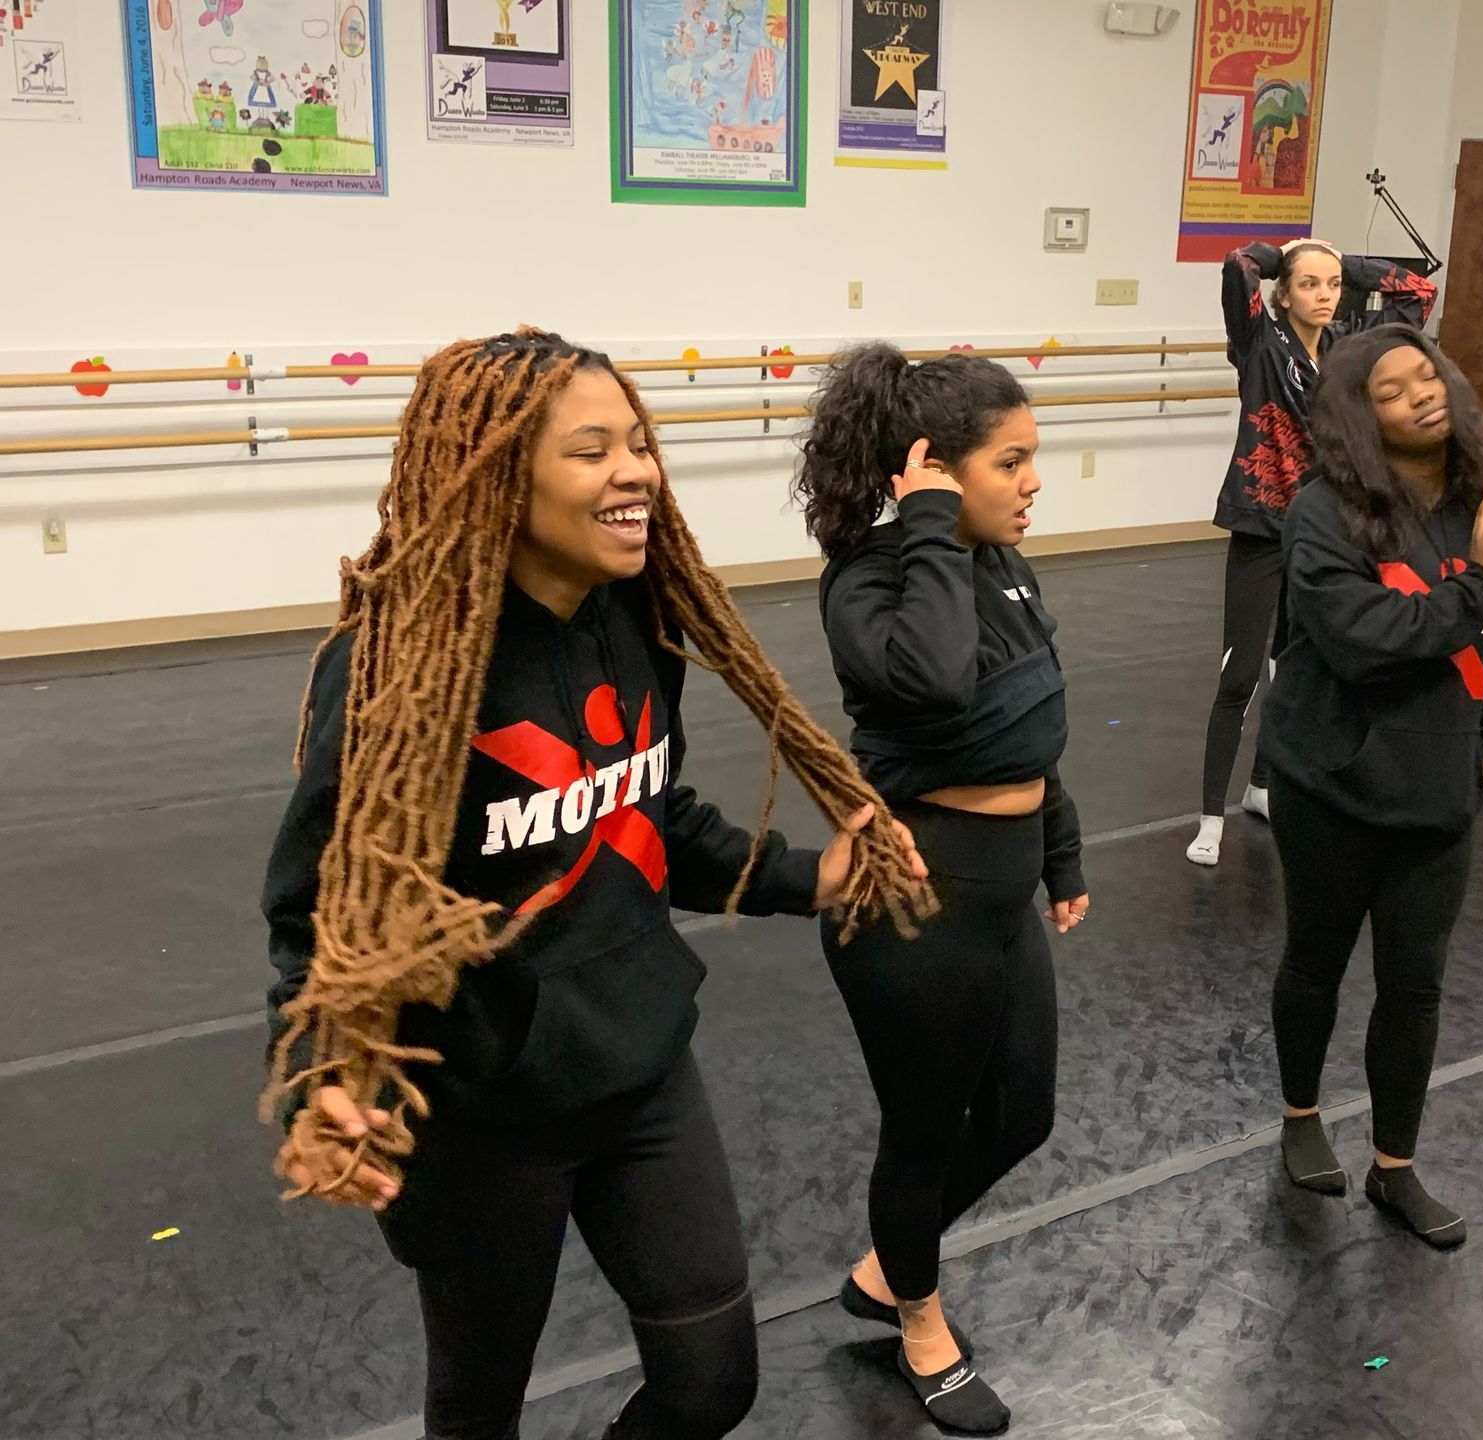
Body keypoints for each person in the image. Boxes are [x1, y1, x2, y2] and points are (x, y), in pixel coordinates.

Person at [260, 328, 931, 1440]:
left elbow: (647, 820)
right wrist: (318, 1076)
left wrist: (811, 879)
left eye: (638, 442)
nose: (636, 471)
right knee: (477, 1409)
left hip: (638, 1065)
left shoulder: (634, 623)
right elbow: (320, 910)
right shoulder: (401, 667)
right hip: (478, 1104)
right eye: (591, 452)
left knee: (712, 1380)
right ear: (498, 477)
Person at [792, 345, 1090, 1435]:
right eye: (1010, 461)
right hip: (914, 897)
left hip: (1004, 888)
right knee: (922, 1132)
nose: (1032, 482)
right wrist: (921, 524)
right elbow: (934, 676)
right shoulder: (869, 574)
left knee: (1023, 1114)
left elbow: (1034, 716)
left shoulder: (1005, 559)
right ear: (932, 470)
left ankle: (884, 1266)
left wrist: (1060, 852)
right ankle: (916, 1313)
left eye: (1033, 459)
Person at [1260, 323, 1483, 1249]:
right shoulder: (1322, 514)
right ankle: (1302, 1116)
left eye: (1430, 374)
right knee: (1316, 963)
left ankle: (1395, 1169)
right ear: (1358, 418)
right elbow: (1365, 643)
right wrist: (1472, 590)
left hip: (1440, 792)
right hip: (1331, 787)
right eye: (1393, 389)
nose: (1425, 393)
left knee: (1415, 987)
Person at [1188, 239, 1438, 866]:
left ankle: (1263, 786)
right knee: (1240, 675)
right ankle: (1209, 817)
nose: (1324, 296)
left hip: (1322, 528)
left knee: (1294, 668)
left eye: (1332, 285)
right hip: (1259, 521)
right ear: (1284, 291)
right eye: (1308, 284)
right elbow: (1239, 265)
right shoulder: (1259, 344)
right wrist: (1292, 253)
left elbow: (1419, 292)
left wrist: (1339, 260)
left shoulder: (1353, 350)